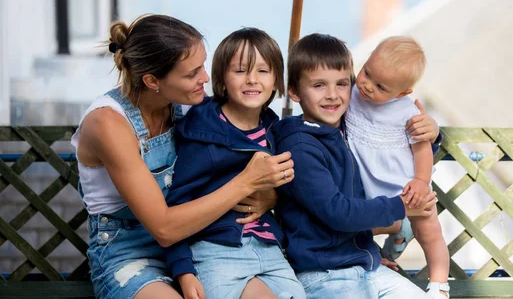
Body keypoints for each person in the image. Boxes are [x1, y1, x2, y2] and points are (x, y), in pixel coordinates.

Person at [71, 15, 294, 299]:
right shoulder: (108, 124)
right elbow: (164, 227)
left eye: (202, 65)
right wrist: (246, 183)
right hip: (131, 254)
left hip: (200, 247)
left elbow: (250, 152)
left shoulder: (190, 109)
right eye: (191, 74)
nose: (205, 78)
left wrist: (270, 196)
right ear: (152, 81)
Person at [273, 33, 439, 299]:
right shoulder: (300, 147)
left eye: (341, 84)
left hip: (366, 265)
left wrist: (431, 132)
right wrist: (401, 206)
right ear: (294, 91)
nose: (332, 95)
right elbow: (337, 212)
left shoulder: (346, 128)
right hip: (324, 274)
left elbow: (392, 141)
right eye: (318, 85)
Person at [165, 28, 305, 299]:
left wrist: (274, 198)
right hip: (217, 250)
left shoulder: (275, 132)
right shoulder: (204, 133)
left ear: (277, 80)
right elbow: (176, 207)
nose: (252, 80)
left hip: (270, 249)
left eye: (263, 71)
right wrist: (183, 270)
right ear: (221, 79)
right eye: (240, 71)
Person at [347, 36, 450, 299]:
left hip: (407, 188)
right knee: (358, 228)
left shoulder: (407, 111)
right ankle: (381, 254)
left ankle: (439, 285)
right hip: (370, 193)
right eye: (367, 73)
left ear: (402, 92)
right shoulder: (350, 95)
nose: (367, 86)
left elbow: (422, 149)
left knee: (429, 231)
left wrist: (420, 180)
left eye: (380, 86)